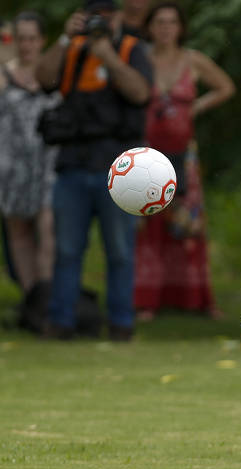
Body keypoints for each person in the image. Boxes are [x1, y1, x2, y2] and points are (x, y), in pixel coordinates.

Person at [36, 0, 152, 341]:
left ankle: (120, 323)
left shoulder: (131, 49)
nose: (101, 23)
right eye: (94, 17)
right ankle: (61, 322)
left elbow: (141, 93)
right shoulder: (72, 48)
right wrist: (63, 39)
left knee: (120, 250)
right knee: (67, 250)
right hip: (73, 163)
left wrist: (107, 55)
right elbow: (43, 79)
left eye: (107, 16)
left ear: (118, 18)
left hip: (120, 170)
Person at [133, 1, 234, 321]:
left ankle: (195, 298)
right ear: (149, 27)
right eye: (159, 22)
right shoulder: (139, 59)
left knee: (188, 223)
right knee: (150, 221)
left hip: (184, 153)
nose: (165, 28)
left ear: (180, 27)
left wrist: (196, 107)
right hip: (147, 154)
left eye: (171, 22)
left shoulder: (192, 60)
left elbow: (225, 87)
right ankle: (148, 299)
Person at [0, 12, 59, 331]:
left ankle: (46, 300)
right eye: (20, 38)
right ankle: (31, 304)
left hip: (47, 164)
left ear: (42, 40)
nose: (26, 45)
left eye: (32, 38)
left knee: (48, 227)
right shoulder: (3, 74)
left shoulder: (53, 73)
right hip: (11, 166)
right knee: (19, 233)